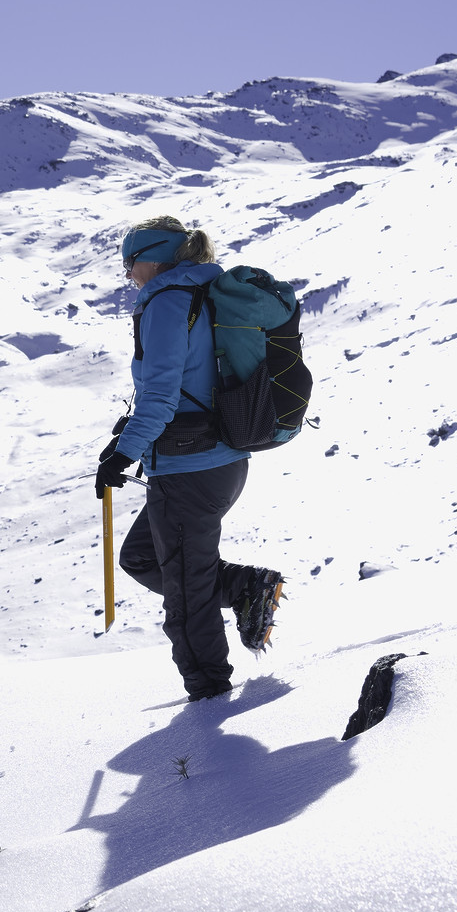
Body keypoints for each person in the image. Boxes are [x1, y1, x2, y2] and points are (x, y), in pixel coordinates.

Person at [96, 216, 284, 701]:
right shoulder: (204, 290)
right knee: (141, 557)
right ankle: (246, 587)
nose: (129, 275)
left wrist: (122, 455)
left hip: (188, 467)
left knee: (186, 595)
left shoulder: (166, 301)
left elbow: (159, 396)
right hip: (222, 460)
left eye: (130, 263)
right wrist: (129, 439)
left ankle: (209, 699)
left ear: (154, 259)